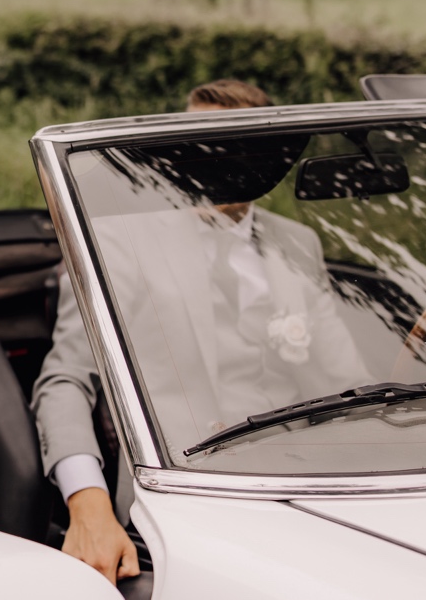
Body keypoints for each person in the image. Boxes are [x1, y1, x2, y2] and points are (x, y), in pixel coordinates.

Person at [31, 79, 367, 585]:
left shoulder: (297, 244)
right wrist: (88, 505)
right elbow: (65, 382)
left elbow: (345, 377)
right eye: (190, 144)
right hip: (176, 500)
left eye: (227, 147)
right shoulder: (118, 241)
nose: (207, 161)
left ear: (268, 161)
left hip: (306, 488)